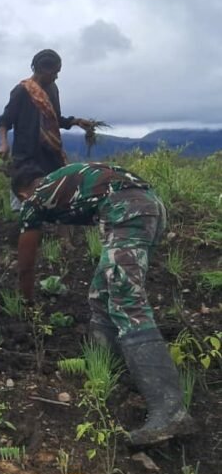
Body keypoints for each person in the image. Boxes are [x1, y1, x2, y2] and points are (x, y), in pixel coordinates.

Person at [15, 162, 194, 447]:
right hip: (148, 205)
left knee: (126, 299)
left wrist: (27, 303)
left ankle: (170, 409)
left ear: (23, 194)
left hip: (127, 212)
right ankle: (105, 367)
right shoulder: (62, 179)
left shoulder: (34, 199)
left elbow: (26, 265)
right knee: (101, 294)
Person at [0, 49, 94, 203]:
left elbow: (56, 119)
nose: (56, 76)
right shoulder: (21, 91)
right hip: (26, 159)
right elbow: (4, 122)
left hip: (50, 158)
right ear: (43, 70)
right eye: (54, 72)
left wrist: (76, 121)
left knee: (58, 205)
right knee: (26, 206)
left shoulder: (53, 90)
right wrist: (3, 143)